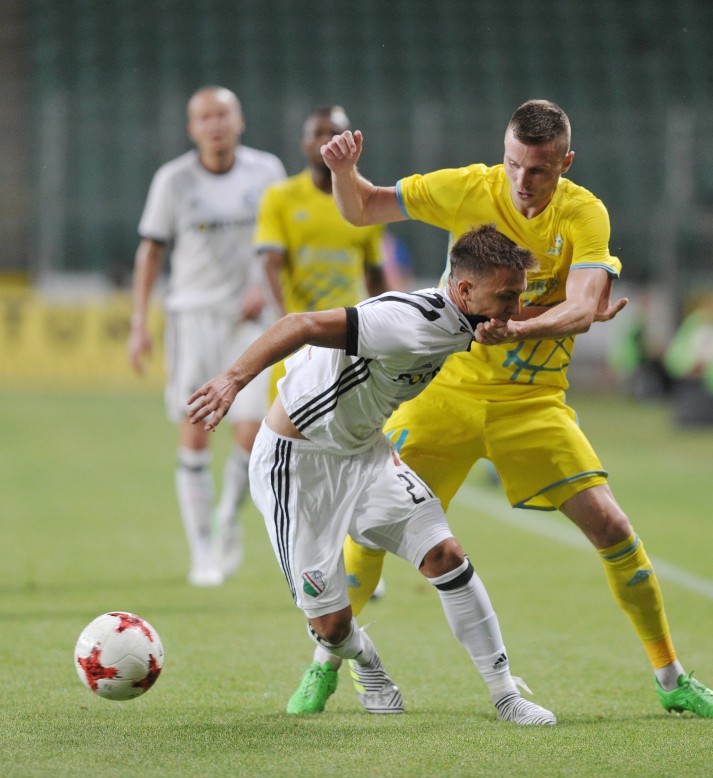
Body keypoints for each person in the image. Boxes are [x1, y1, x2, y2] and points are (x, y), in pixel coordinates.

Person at [292, 98, 713, 720]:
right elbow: (365, 206)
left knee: (612, 527)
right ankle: (324, 666)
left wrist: (516, 329)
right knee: (371, 528)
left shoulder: (584, 213)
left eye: (538, 171)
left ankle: (672, 680)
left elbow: (586, 306)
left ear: (565, 163)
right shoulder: (469, 187)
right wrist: (344, 172)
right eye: (513, 166)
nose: (522, 183)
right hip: (445, 394)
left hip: (531, 403)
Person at [187, 224, 557, 725]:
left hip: (365, 455)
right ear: (465, 290)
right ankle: (366, 662)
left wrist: (574, 316)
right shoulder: (401, 323)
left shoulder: (470, 314)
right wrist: (233, 379)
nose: (513, 308)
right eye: (507, 296)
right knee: (332, 625)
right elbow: (301, 323)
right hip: (297, 466)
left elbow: (512, 322)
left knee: (445, 555)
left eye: (518, 296)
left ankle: (504, 693)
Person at [128, 86, 286, 586]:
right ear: (192, 128)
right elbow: (150, 252)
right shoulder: (173, 180)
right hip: (193, 316)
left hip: (250, 320)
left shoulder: (267, 172)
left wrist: (264, 287)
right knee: (196, 430)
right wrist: (138, 323)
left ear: (239, 122)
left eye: (223, 114)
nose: (215, 124)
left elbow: (281, 246)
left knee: (252, 430)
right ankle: (202, 552)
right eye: (204, 117)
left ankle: (226, 525)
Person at [254, 105, 388, 407]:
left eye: (334, 133)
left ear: (352, 144)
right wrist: (284, 323)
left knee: (350, 439)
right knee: (282, 438)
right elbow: (269, 264)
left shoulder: (365, 201)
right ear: (304, 142)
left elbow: (375, 275)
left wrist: (389, 329)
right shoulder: (281, 197)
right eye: (318, 133)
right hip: (297, 337)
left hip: (349, 336)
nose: (326, 140)